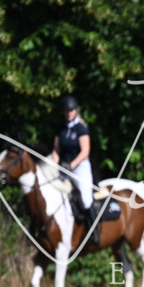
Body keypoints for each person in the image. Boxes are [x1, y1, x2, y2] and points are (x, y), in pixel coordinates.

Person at [50, 94, 98, 245]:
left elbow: (85, 151)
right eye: (66, 111)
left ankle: (94, 232)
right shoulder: (61, 129)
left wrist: (71, 166)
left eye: (71, 110)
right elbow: (56, 151)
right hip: (64, 166)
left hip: (80, 166)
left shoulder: (81, 128)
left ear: (76, 111)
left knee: (85, 199)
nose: (68, 113)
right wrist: (53, 166)